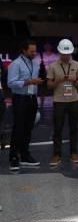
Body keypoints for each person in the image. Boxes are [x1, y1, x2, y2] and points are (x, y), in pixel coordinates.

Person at [47, 39, 78, 167]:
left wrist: (74, 81)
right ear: (59, 52)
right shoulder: (53, 66)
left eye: (68, 54)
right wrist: (58, 80)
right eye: (64, 54)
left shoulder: (77, 65)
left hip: (74, 100)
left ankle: (74, 152)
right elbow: (49, 85)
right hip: (59, 101)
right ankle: (56, 154)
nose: (66, 56)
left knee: (74, 128)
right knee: (58, 128)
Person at [8, 40, 43, 171]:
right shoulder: (15, 64)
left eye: (35, 51)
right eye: (31, 51)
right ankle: (13, 157)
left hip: (32, 99)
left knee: (28, 128)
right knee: (18, 129)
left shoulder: (35, 64)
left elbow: (34, 83)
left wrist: (35, 85)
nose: (34, 53)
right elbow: (11, 83)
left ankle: (25, 155)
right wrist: (28, 81)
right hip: (20, 99)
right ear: (24, 50)